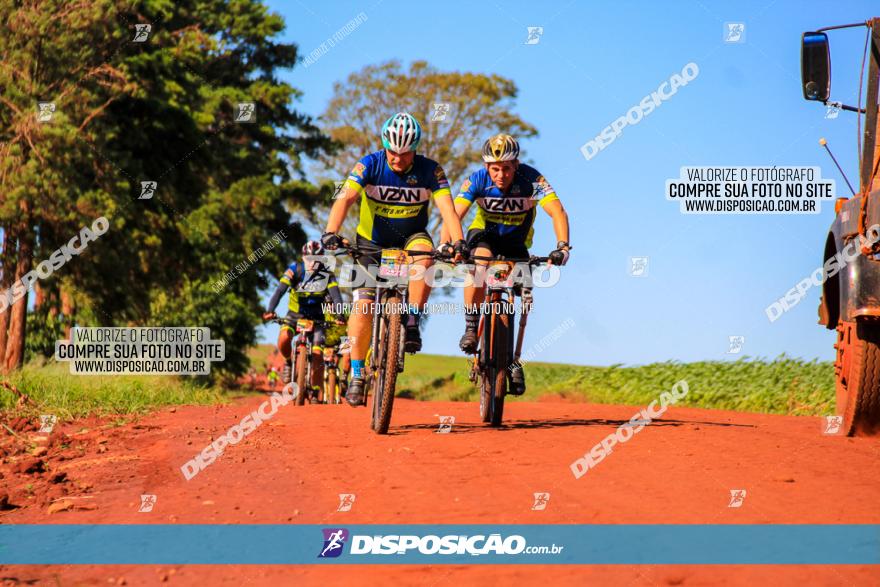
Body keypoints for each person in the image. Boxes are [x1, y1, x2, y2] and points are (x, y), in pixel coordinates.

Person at [321, 112, 467, 406]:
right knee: (363, 304)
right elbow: (346, 198)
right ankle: (358, 375)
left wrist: (459, 241)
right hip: (371, 243)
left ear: (416, 148)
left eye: (405, 153)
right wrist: (330, 232)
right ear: (384, 145)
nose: (398, 159)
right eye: (393, 152)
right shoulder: (369, 164)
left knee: (426, 258)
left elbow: (448, 210)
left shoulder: (431, 170)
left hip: (411, 238)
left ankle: (411, 319)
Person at [441, 133, 570, 395]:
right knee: (478, 266)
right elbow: (455, 213)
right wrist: (448, 244)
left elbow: (557, 210)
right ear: (487, 167)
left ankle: (513, 361)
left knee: (524, 295)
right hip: (485, 236)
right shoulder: (477, 179)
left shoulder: (532, 180)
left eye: (507, 168)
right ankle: (470, 326)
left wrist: (563, 246)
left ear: (517, 165)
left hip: (515, 243)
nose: (501, 175)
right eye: (495, 169)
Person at [262, 240, 344, 401]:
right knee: (284, 338)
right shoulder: (294, 270)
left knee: (317, 354)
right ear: (303, 258)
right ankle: (288, 361)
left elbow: (336, 296)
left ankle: (315, 390)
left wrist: (340, 315)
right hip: (295, 315)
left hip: (317, 318)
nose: (313, 262)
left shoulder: (327, 274)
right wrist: (270, 310)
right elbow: (280, 290)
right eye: (309, 259)